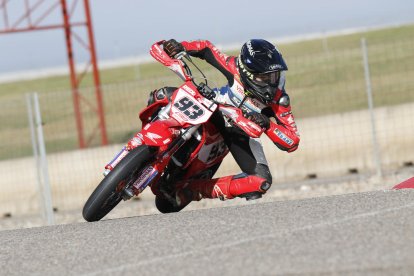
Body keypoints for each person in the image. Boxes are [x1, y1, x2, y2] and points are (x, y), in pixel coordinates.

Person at [150, 39, 300, 212]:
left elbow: (292, 140)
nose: (271, 83)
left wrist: (268, 125)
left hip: (237, 131)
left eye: (274, 75)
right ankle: (144, 144)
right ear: (247, 72)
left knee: (260, 181)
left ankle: (193, 189)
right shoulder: (234, 67)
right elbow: (206, 48)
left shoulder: (279, 99)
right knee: (163, 95)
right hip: (213, 108)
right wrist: (181, 47)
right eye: (264, 77)